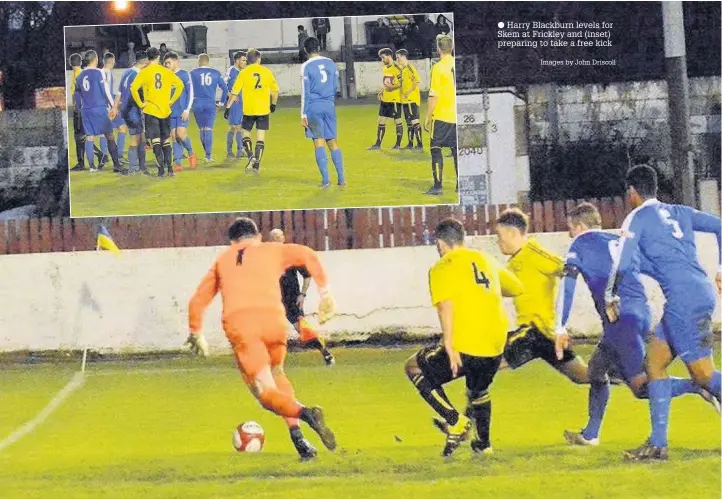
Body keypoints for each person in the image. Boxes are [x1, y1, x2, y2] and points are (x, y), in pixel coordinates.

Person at [555, 203, 718, 447]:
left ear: (580, 226)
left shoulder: (581, 243)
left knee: (642, 386)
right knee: (596, 370)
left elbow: (567, 285)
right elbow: (649, 267)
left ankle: (697, 386)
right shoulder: (618, 241)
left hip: (621, 321)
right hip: (636, 314)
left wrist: (561, 325)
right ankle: (590, 434)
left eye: (570, 228)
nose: (569, 234)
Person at [186, 217, 338, 461]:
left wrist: (196, 332)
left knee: (263, 392)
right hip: (274, 322)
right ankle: (300, 442)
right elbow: (308, 255)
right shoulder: (272, 250)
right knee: (277, 372)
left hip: (242, 326)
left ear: (232, 241)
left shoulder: (223, 260)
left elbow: (198, 300)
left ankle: (306, 414)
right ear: (257, 235)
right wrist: (325, 292)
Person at [604, 165, 722, 461]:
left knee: (704, 375)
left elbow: (625, 262)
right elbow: (720, 226)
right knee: (654, 363)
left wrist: (610, 294)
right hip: (695, 292)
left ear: (632, 191)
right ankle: (658, 445)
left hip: (684, 299)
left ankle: (658, 443)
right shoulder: (679, 211)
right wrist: (720, 269)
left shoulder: (637, 217)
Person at [405, 218, 524, 456]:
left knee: (414, 368)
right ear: (462, 240)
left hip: (467, 343)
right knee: (478, 390)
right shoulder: (484, 258)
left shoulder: (442, 266)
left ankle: (454, 421)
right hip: (496, 343)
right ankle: (483, 446)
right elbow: (516, 287)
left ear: (440, 243)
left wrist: (448, 343)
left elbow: (444, 306)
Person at [494, 208, 590, 383]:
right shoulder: (513, 262)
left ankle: (473, 408)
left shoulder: (534, 251)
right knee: (583, 376)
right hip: (544, 335)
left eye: (499, 236)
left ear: (513, 233)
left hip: (536, 330)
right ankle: (632, 377)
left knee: (486, 363)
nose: (497, 241)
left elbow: (565, 267)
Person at [269, 228, 335, 365]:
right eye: (273, 237)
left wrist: (302, 294)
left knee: (302, 329)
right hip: (272, 299)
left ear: (283, 239)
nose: (276, 239)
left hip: (291, 299)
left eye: (278, 236)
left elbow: (307, 275)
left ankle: (326, 353)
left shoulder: (292, 256)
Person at [130, 46, 184, 177]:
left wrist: (141, 104)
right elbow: (180, 85)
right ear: (159, 56)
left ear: (148, 58)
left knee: (155, 141)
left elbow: (133, 88)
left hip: (151, 110)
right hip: (165, 110)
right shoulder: (166, 71)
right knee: (166, 140)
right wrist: (171, 100)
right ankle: (170, 170)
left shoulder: (144, 72)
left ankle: (161, 171)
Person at [301, 37, 345, 188]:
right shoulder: (330, 63)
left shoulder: (306, 66)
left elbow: (305, 92)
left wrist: (303, 114)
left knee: (318, 141)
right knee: (332, 141)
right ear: (319, 47)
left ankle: (326, 180)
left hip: (314, 106)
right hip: (329, 105)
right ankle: (341, 179)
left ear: (305, 50)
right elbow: (334, 86)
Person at [226, 48, 279, 174]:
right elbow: (275, 91)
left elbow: (234, 92)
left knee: (246, 134)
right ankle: (256, 165)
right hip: (263, 109)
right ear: (258, 59)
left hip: (249, 110)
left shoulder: (243, 73)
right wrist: (273, 105)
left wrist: (228, 107)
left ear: (248, 60)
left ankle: (251, 156)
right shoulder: (266, 72)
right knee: (260, 138)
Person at [74, 50, 124, 174]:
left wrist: (80, 108)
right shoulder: (99, 73)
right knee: (110, 136)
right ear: (95, 60)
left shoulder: (79, 75)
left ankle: (92, 167)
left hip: (86, 110)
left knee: (90, 138)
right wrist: (113, 106)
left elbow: (77, 94)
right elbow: (105, 90)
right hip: (100, 108)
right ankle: (117, 165)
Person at [424, 35, 457, 195]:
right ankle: (460, 185)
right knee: (457, 151)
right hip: (457, 116)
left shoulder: (438, 67)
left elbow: (433, 95)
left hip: (442, 116)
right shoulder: (458, 63)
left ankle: (438, 186)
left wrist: (427, 117)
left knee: (435, 149)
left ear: (438, 49)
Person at [115, 50, 150, 175]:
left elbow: (119, 92)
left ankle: (141, 166)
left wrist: (115, 108)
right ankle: (134, 168)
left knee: (141, 138)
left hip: (125, 109)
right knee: (136, 139)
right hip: (132, 110)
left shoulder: (127, 72)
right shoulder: (138, 75)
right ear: (145, 61)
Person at [190, 54, 228, 164]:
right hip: (210, 103)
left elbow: (187, 88)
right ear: (208, 61)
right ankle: (208, 156)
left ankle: (206, 152)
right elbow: (225, 89)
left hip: (197, 103)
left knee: (202, 129)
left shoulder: (193, 73)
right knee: (208, 129)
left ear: (199, 61)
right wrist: (220, 104)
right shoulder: (216, 73)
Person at [163, 52, 197, 172]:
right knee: (174, 136)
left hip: (182, 111)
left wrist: (187, 109)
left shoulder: (184, 75)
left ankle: (192, 153)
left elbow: (190, 92)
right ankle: (177, 162)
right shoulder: (165, 76)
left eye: (169, 63)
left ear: (176, 62)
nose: (167, 65)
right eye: (165, 63)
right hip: (170, 112)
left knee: (181, 134)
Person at [367, 48, 403, 151]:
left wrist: (392, 88)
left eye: (383, 57)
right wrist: (382, 91)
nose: (382, 60)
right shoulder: (385, 68)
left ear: (389, 56)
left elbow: (401, 83)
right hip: (385, 99)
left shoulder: (397, 68)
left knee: (398, 121)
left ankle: (397, 145)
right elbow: (386, 82)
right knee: (381, 121)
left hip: (395, 99)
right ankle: (377, 144)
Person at [102, 52, 128, 164]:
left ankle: (104, 156)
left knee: (105, 132)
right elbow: (106, 91)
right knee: (122, 128)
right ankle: (119, 155)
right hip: (109, 106)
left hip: (103, 106)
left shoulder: (100, 72)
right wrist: (114, 105)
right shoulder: (107, 74)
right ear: (113, 62)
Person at [395, 49, 423, 150]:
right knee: (408, 122)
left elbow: (416, 81)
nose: (397, 59)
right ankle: (410, 144)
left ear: (403, 57)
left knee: (414, 120)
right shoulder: (403, 69)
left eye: (398, 57)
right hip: (405, 100)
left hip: (411, 99)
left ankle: (420, 144)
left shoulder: (410, 67)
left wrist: (408, 92)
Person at [225, 51, 247, 159]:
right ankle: (232, 151)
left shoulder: (243, 72)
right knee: (235, 127)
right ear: (237, 61)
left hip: (242, 103)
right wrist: (230, 95)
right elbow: (223, 84)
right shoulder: (231, 71)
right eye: (243, 60)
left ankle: (239, 150)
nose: (245, 62)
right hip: (234, 103)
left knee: (239, 127)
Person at [68, 53, 87, 171]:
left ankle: (81, 164)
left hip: (79, 109)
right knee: (82, 136)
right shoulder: (82, 73)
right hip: (84, 108)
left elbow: (76, 94)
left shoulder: (77, 75)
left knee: (79, 136)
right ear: (80, 62)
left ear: (70, 63)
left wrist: (76, 107)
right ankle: (100, 155)